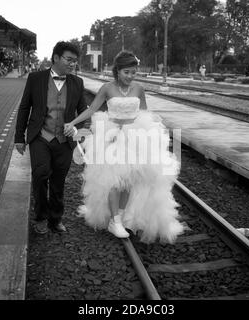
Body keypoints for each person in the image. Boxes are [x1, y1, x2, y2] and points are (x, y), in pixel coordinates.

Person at [64, 51, 185, 243]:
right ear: (117, 71)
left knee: (129, 180)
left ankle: (120, 217)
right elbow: (92, 109)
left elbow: (145, 112)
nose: (130, 76)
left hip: (135, 136)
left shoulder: (139, 88)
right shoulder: (107, 88)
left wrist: (153, 133)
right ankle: (114, 221)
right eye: (126, 72)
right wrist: (72, 122)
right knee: (114, 181)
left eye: (133, 72)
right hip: (112, 136)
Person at [15, 41, 88, 234]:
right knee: (40, 175)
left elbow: (83, 112)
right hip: (40, 136)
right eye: (69, 60)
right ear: (56, 58)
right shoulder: (35, 78)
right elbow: (24, 107)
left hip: (64, 141)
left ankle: (55, 219)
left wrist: (76, 128)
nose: (73, 64)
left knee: (58, 181)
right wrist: (19, 137)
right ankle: (40, 217)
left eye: (75, 61)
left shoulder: (77, 83)